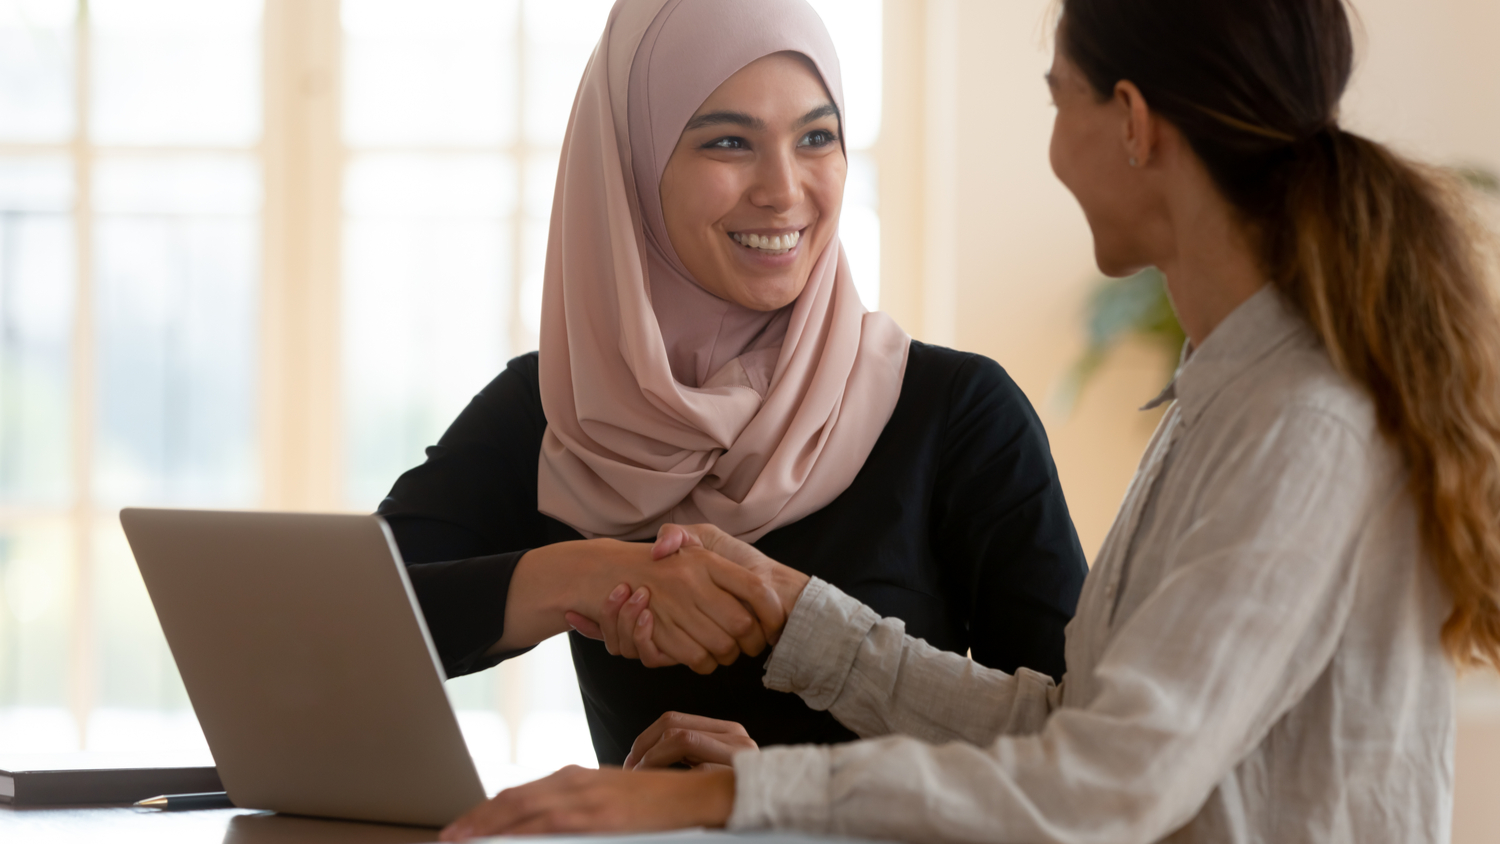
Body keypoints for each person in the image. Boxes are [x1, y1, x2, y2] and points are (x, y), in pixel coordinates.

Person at [438, 0, 1500, 841]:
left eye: (1056, 97)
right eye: (727, 141)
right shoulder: (1226, 393)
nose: (785, 189)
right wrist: (795, 615)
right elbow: (1073, 732)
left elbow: (1106, 785)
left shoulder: (1299, 424)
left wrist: (728, 799)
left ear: (1127, 124)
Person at [378, 0, 1088, 768]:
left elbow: (1084, 757)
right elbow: (337, 617)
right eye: (728, 142)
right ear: (634, 167)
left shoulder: (959, 416)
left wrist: (773, 797)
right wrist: (584, 573)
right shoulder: (562, 409)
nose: (783, 190)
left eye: (817, 137)